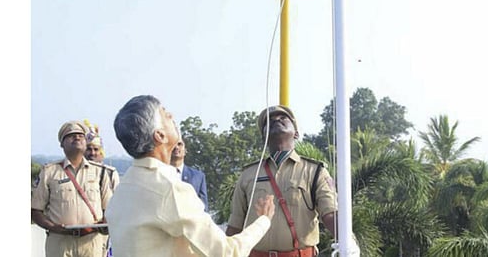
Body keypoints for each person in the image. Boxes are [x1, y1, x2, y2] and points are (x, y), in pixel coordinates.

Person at [106, 95, 276, 256]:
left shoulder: (124, 187)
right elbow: (227, 253)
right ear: (160, 135)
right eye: (165, 114)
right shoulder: (169, 189)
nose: (171, 115)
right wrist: (263, 221)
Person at [226, 105, 354, 257]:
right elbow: (235, 225)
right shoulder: (248, 175)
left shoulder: (314, 171)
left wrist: (350, 244)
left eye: (283, 118)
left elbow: (330, 214)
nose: (276, 121)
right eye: (270, 121)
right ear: (264, 137)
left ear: (296, 133)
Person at [32, 120, 115, 257]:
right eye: (71, 135)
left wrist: (105, 224)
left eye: (80, 135)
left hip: (91, 241)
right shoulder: (49, 172)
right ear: (62, 144)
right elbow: (36, 210)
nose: (77, 137)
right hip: (60, 242)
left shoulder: (100, 173)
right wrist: (53, 227)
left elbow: (110, 209)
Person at [170, 138, 209, 212]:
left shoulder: (198, 177)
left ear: (185, 151)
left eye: (179, 144)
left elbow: (204, 208)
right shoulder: (158, 174)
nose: (176, 147)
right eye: (173, 144)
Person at [83, 119, 120, 190]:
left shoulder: (110, 173)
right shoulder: (76, 172)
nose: (92, 153)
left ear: (101, 152)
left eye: (96, 149)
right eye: (88, 149)